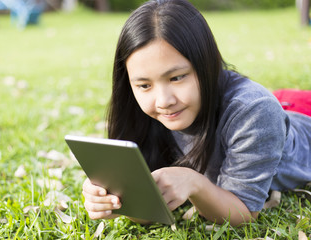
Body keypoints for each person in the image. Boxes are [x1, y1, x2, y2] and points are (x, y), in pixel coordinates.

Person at [82, 0, 311, 226]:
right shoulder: (141, 109)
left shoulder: (254, 111)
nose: (163, 101)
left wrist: (194, 183)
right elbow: (148, 207)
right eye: (144, 85)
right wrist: (113, 199)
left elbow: (242, 214)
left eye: (177, 77)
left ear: (206, 65)